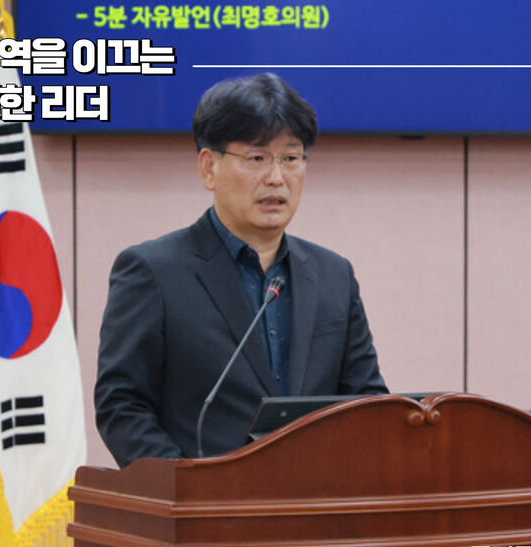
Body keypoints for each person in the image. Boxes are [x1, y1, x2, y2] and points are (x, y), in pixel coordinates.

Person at [95, 73, 388, 467]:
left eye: (290, 158)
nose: (276, 178)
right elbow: (122, 406)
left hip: (315, 499)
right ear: (209, 168)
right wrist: (187, 487)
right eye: (256, 158)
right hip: (202, 501)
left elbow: (368, 403)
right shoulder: (153, 272)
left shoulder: (334, 275)